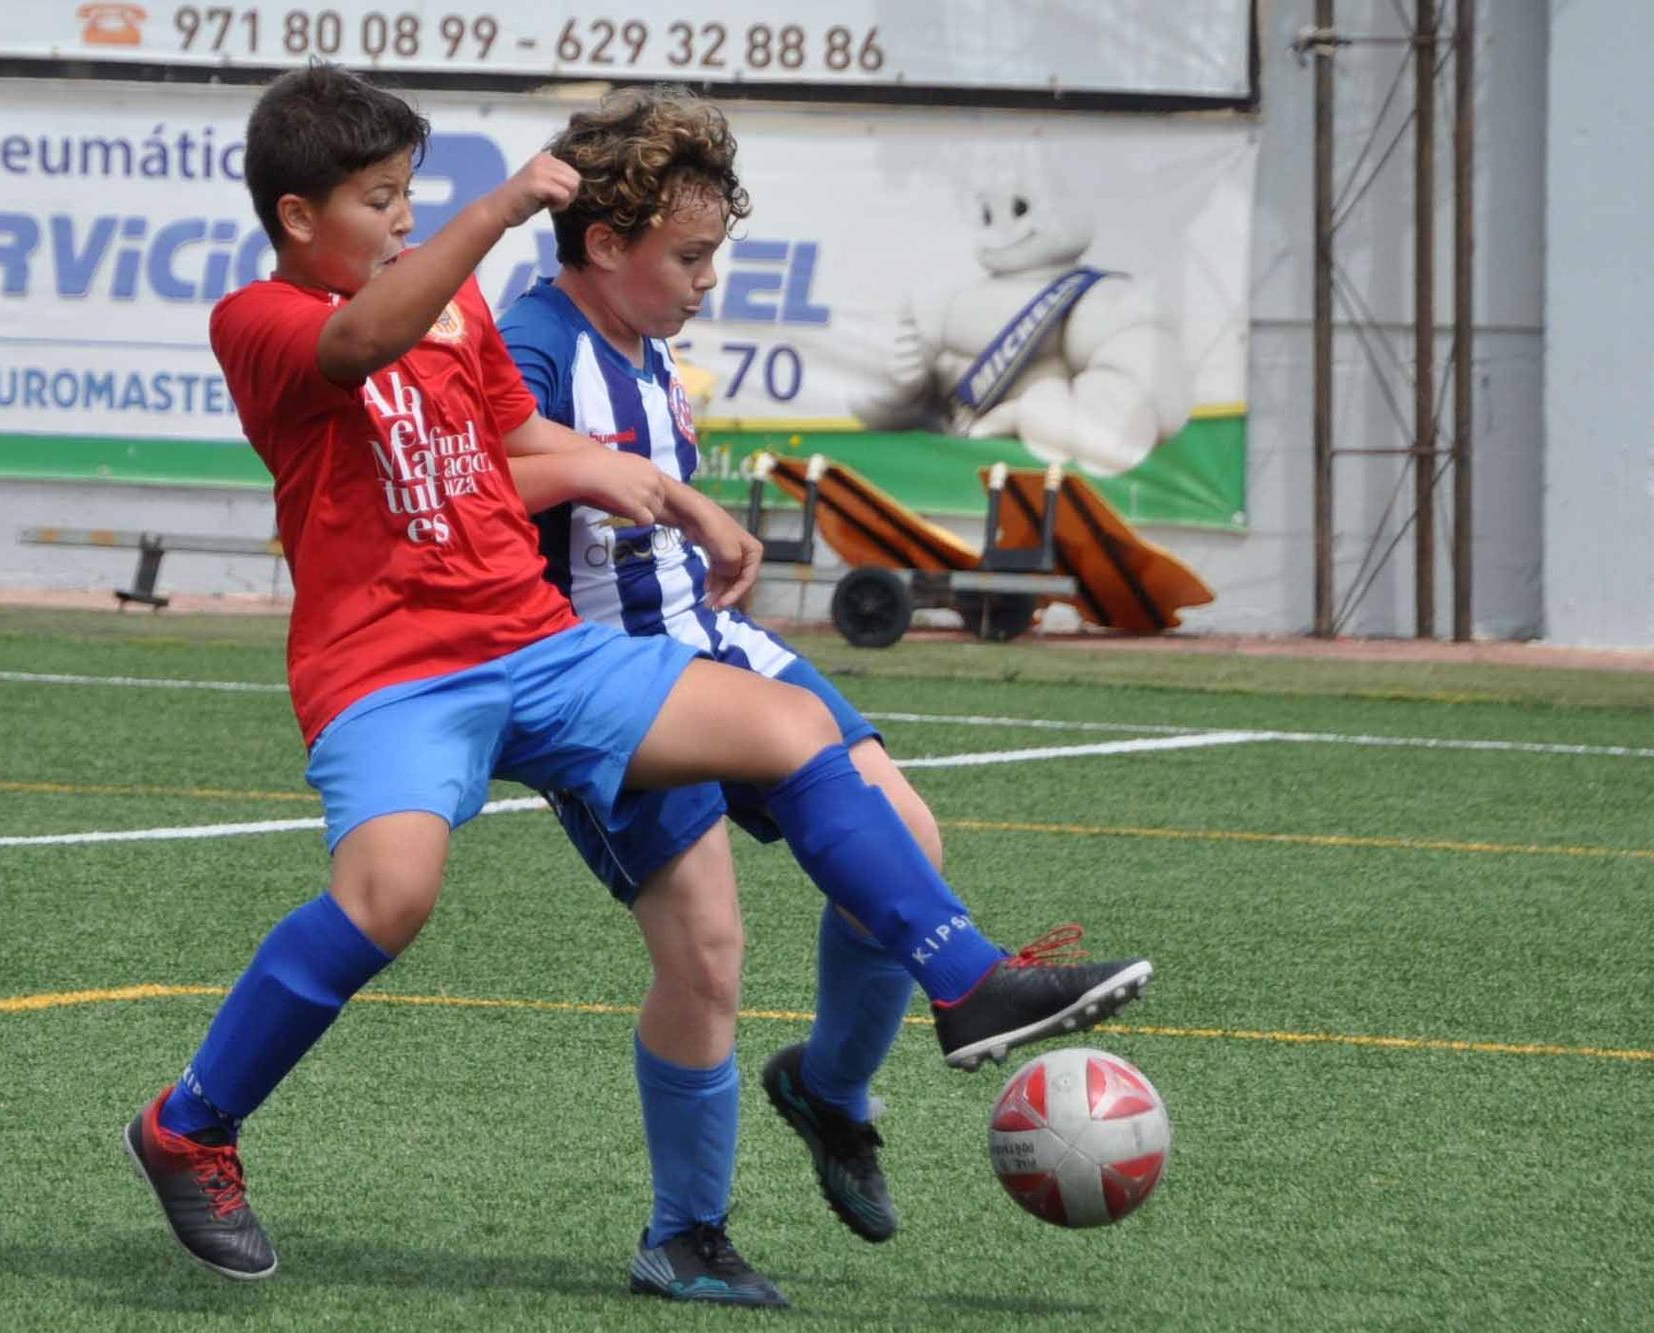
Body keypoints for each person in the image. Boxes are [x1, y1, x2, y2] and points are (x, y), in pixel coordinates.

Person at [123, 64, 1152, 1308]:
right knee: (388, 896)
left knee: (783, 726)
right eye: (379, 200)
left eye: (412, 197)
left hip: (537, 648)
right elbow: (360, 340)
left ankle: (960, 978)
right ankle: (190, 1125)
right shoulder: (267, 319)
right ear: (298, 218)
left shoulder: (454, 323)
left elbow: (516, 442)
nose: (404, 218)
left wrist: (665, 492)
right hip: (392, 673)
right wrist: (495, 213)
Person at [496, 83, 989, 1264]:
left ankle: (828, 1089)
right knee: (707, 947)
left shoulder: (645, 338)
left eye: (715, 252)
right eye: (690, 256)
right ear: (604, 246)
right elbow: (485, 490)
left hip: (708, 641)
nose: (706, 279)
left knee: (904, 836)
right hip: (608, 677)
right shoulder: (530, 346)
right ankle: (685, 1234)